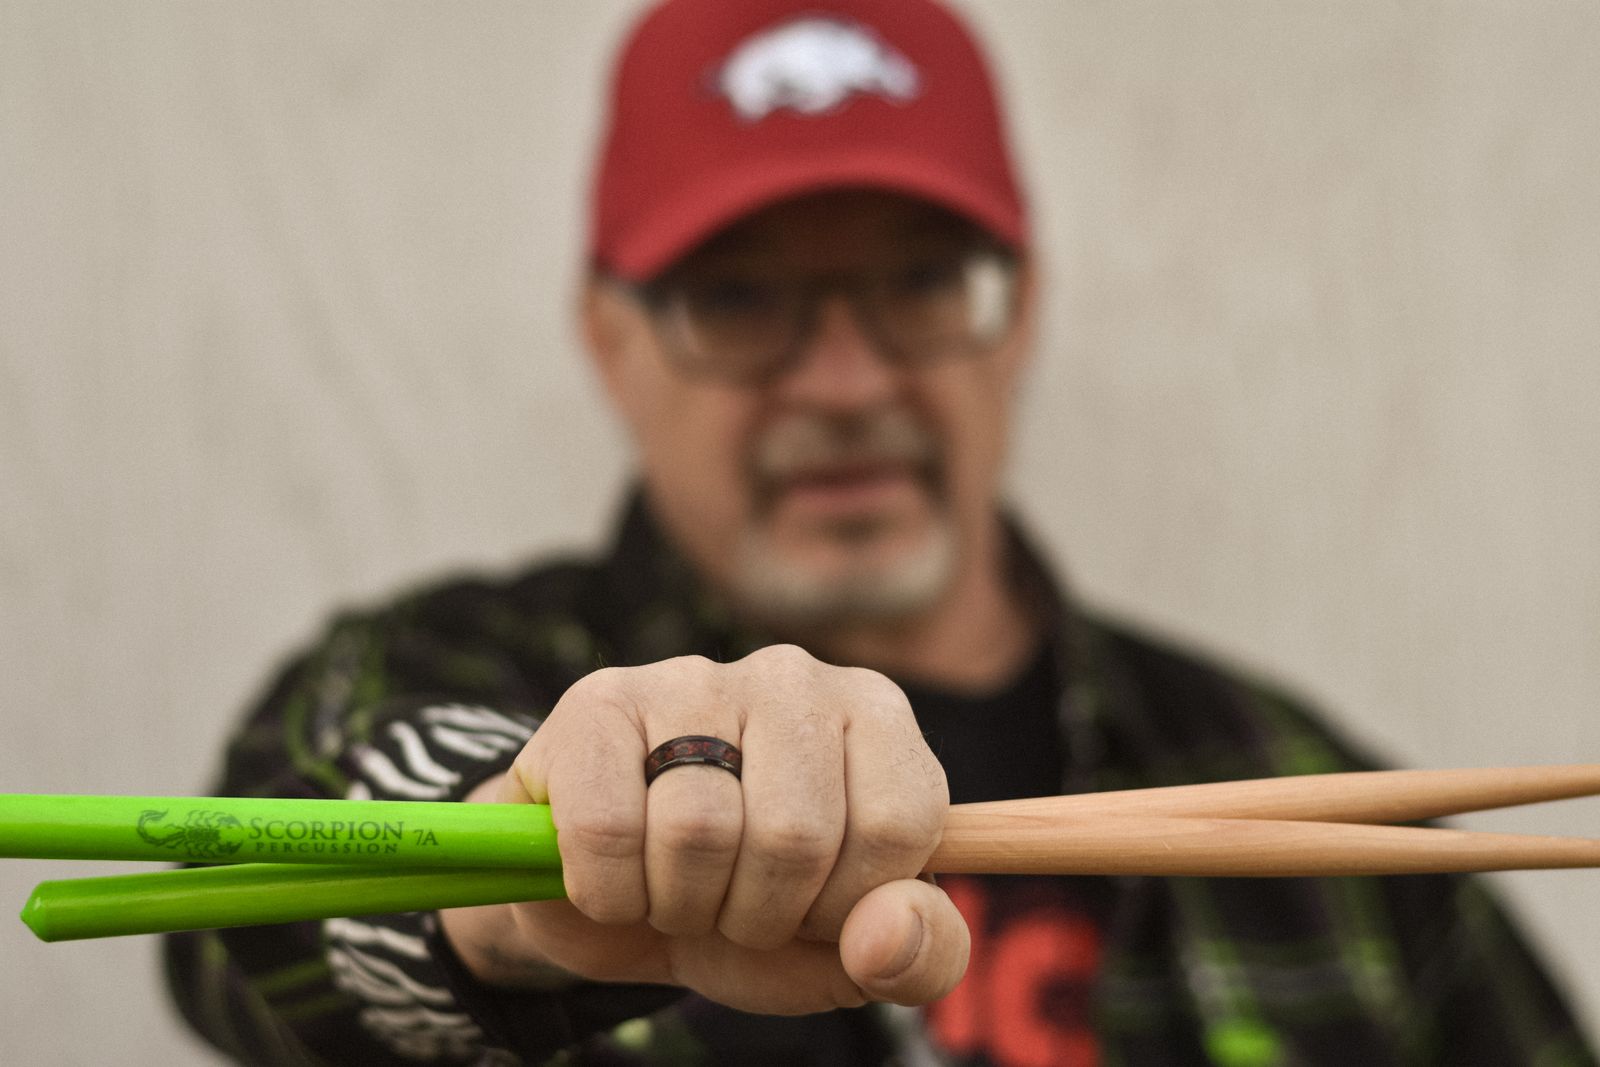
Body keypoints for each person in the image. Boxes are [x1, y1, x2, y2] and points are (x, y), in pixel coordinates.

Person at [163, 1, 1596, 1064]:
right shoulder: (461, 662)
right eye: (738, 299)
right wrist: (509, 887)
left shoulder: (1289, 783)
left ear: (1017, 317)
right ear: (609, 341)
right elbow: (231, 914)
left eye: (919, 284)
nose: (847, 385)